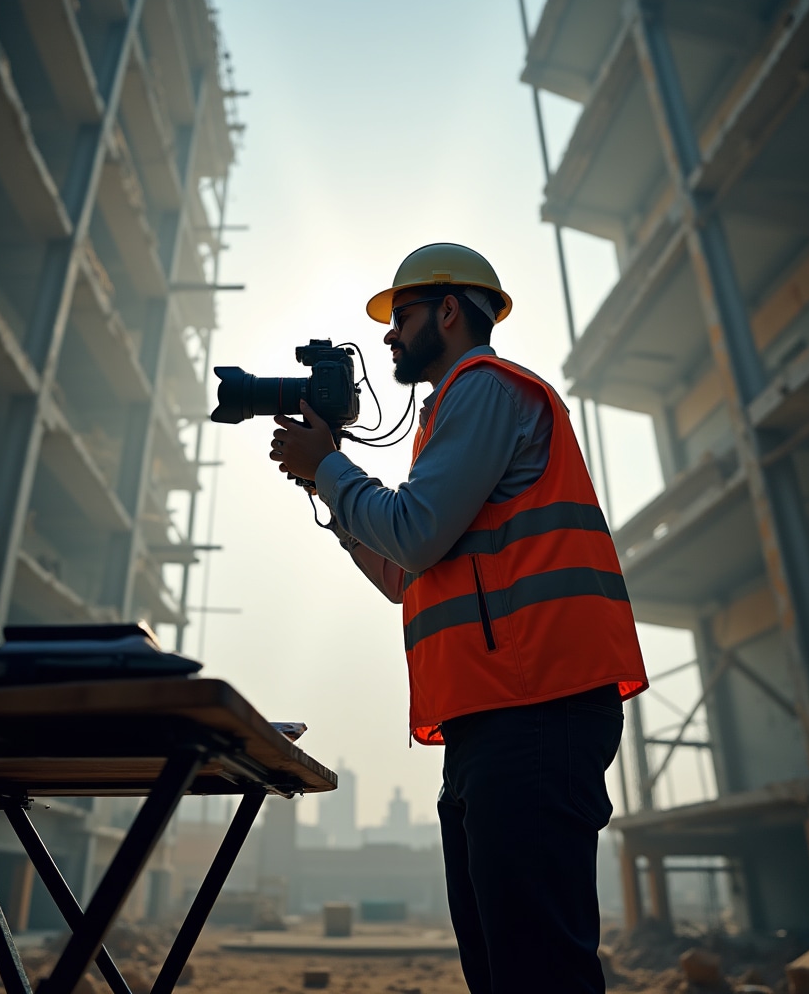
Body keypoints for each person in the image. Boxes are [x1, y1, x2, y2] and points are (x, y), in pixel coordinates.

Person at [269, 243, 648, 994]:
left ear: (449, 310)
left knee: (536, 966)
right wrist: (328, 489)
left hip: (537, 708)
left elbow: (413, 531)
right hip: (495, 715)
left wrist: (333, 468)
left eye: (401, 316)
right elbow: (401, 572)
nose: (387, 336)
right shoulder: (450, 417)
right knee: (502, 964)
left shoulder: (484, 388)